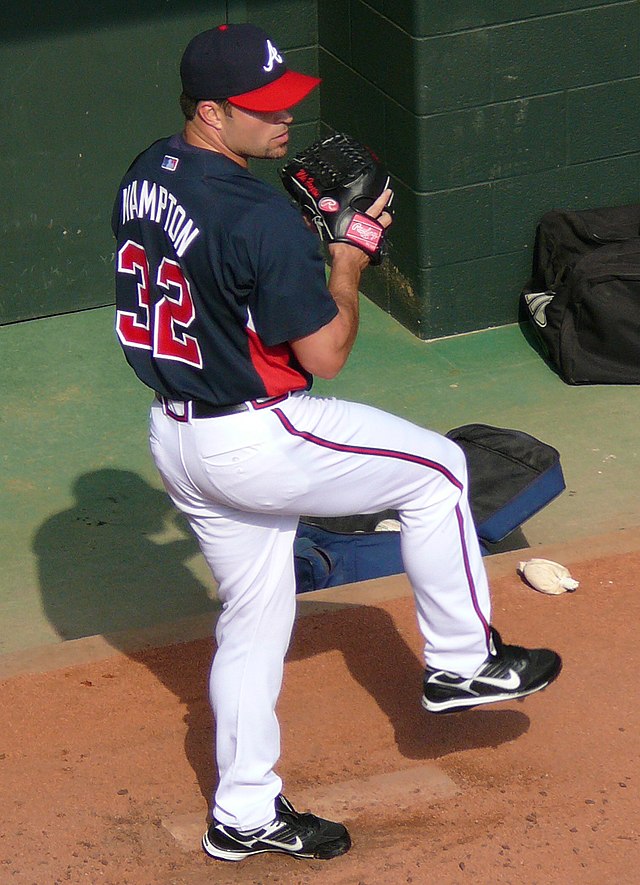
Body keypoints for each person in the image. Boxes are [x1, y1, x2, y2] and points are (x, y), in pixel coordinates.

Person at [112, 22, 562, 864]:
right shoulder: (257, 219)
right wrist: (346, 256)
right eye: (264, 109)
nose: (286, 122)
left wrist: (293, 235)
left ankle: (243, 813)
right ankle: (464, 661)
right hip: (258, 437)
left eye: (287, 103)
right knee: (438, 469)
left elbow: (212, 260)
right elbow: (326, 353)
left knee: (253, 618)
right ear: (211, 112)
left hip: (176, 442)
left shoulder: (147, 170)